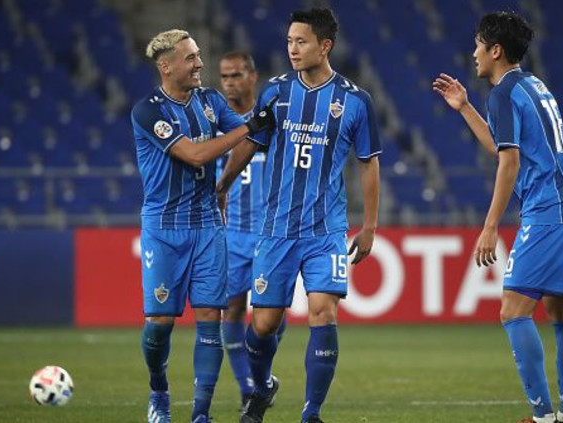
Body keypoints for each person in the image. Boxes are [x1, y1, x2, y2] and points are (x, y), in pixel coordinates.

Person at [217, 8, 381, 423]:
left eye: (301, 41)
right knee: (263, 326)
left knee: (323, 312)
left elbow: (368, 163)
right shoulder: (274, 93)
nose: (292, 48)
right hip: (276, 229)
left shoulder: (355, 101)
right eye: (289, 41)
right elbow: (251, 142)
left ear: (325, 46)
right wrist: (222, 185)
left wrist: (369, 226)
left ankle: (312, 412)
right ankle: (262, 387)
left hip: (326, 230)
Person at [433, 11, 563, 423]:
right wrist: (465, 108)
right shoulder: (533, 85)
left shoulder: (503, 93)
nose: (473, 53)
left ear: (496, 50)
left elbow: (509, 162)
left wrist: (490, 227)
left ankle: (542, 417)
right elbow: (502, 145)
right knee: (562, 313)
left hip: (548, 214)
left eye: (478, 45)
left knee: (513, 311)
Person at [131, 29, 276, 423]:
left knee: (211, 319)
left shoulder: (210, 101)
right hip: (164, 228)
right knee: (159, 326)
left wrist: (265, 125)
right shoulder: (148, 111)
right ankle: (159, 389)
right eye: (191, 58)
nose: (200, 63)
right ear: (166, 67)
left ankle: (200, 414)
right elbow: (195, 155)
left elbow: (246, 136)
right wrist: (251, 126)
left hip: (209, 224)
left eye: (198, 55)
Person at [215, 50, 287, 411]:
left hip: (269, 232)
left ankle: (262, 376)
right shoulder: (216, 127)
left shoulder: (273, 120)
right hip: (231, 233)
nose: (229, 83)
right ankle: (248, 386)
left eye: (236, 75)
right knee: (230, 309)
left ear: (252, 76)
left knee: (271, 314)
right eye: (224, 76)